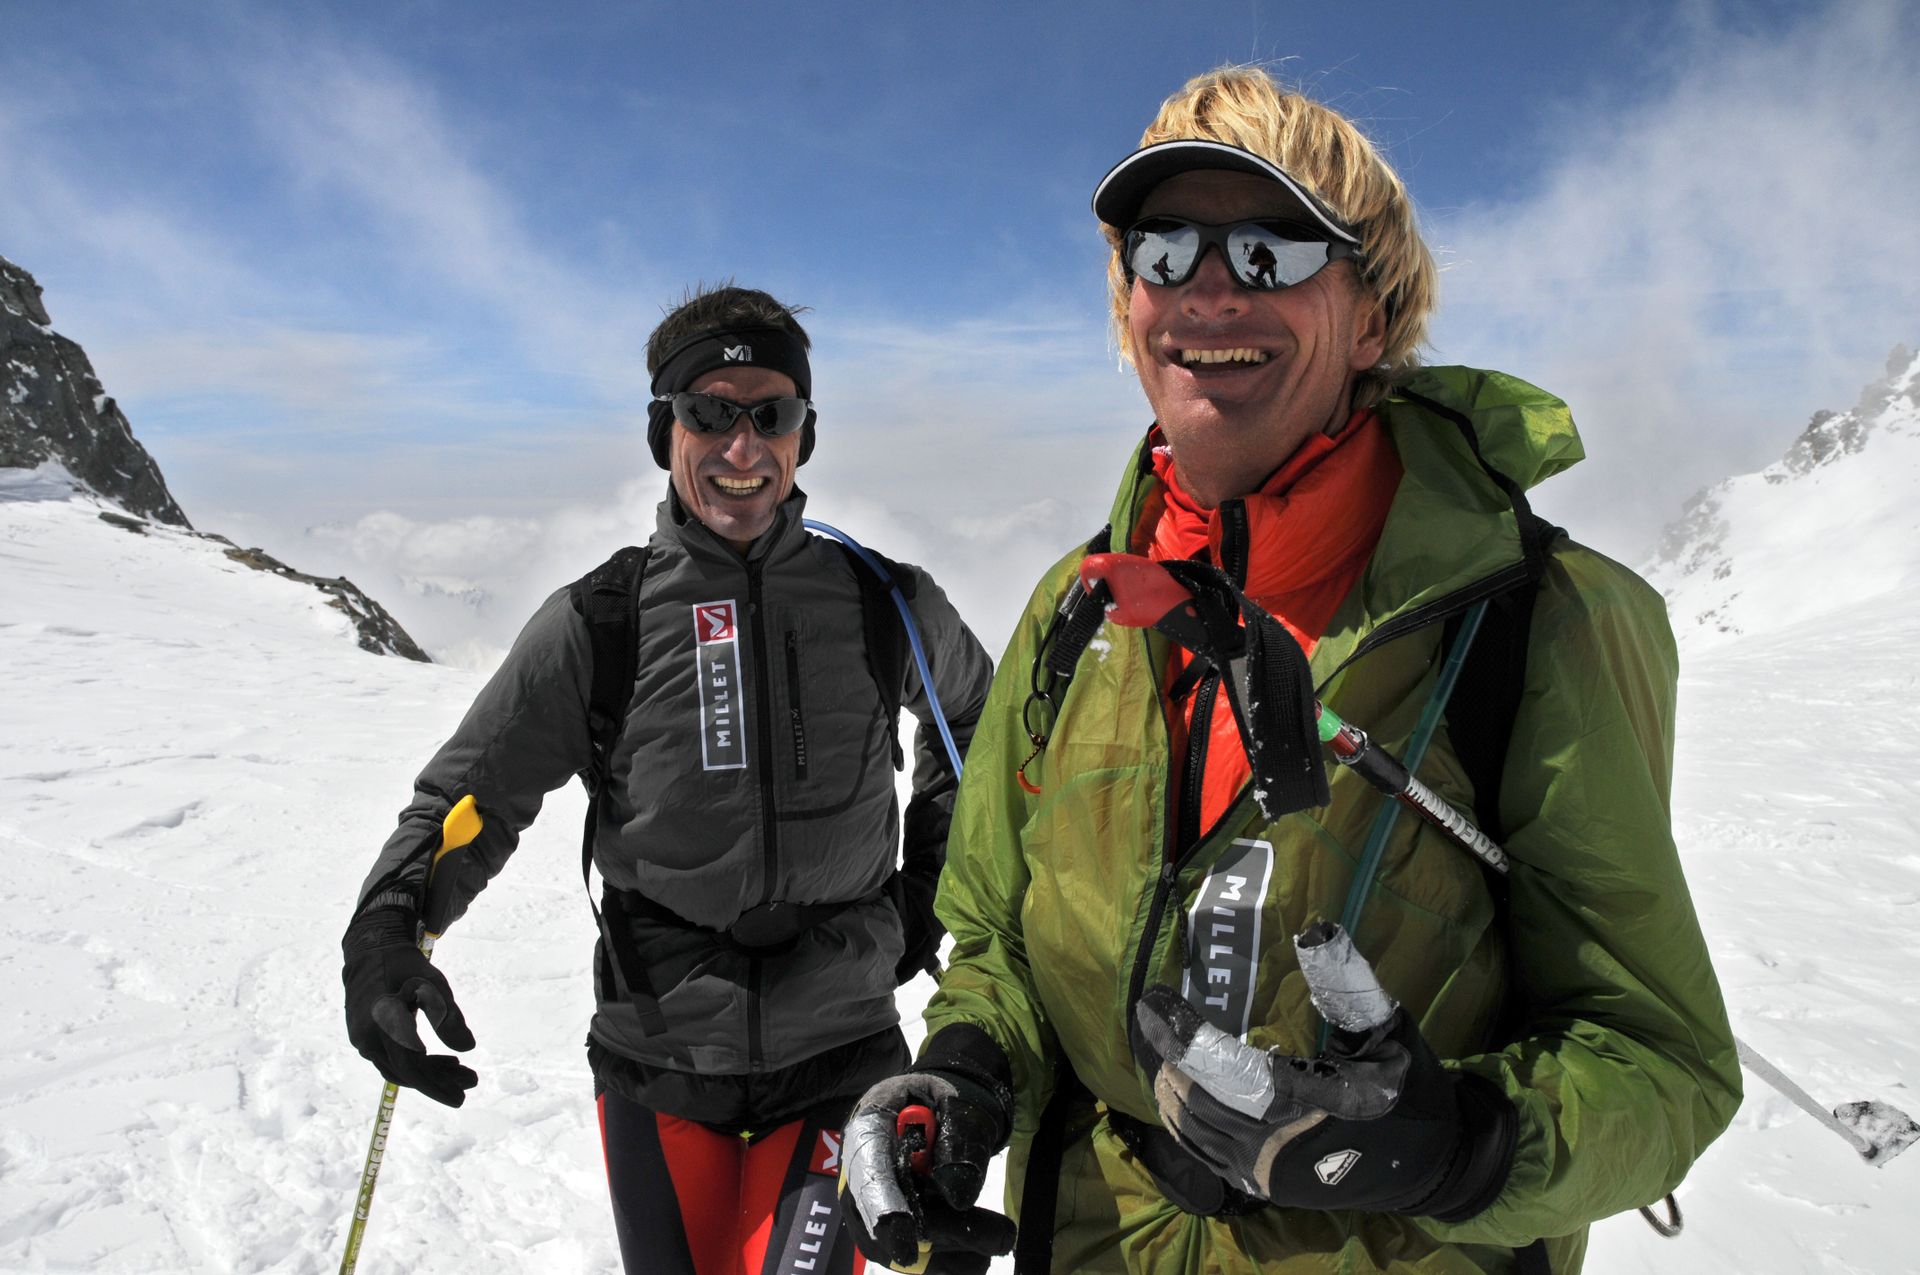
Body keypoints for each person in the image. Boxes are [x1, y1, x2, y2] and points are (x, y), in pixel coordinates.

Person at [838, 67, 1740, 1274]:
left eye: (1269, 250)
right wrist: (967, 1069)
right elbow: (996, 933)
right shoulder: (1079, 608)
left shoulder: (1537, 621)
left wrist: (1456, 1147)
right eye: (1163, 252)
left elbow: (1662, 1060)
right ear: (1128, 310)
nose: (1208, 287)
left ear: (1371, 318)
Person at [342, 284, 994, 1275]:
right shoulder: (599, 620)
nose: (743, 448)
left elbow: (976, 728)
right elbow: (472, 799)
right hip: (660, 1065)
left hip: (844, 1052)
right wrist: (385, 934)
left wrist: (925, 893)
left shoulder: (883, 602)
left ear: (803, 434)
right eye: (709, 413)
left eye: (769, 413)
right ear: (666, 430)